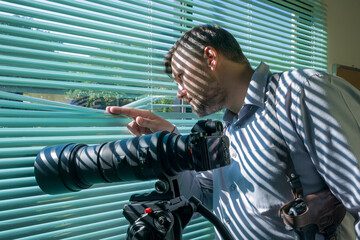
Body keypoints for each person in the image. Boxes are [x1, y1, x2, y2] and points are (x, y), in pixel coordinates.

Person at [106, 25, 360, 239]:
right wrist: (170, 142)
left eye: (182, 77)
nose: (180, 92)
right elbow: (201, 197)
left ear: (210, 58)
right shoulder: (224, 133)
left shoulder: (301, 93)